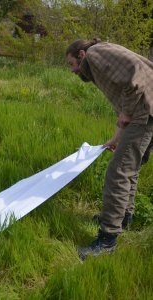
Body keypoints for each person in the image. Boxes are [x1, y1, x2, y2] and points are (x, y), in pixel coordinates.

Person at [66, 39, 153, 260]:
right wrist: (116, 137)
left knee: (118, 173)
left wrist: (127, 114)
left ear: (81, 55)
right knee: (129, 168)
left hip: (145, 111)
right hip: (146, 109)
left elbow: (134, 76)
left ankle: (107, 240)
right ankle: (124, 216)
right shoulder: (100, 54)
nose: (73, 71)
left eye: (72, 64)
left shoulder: (95, 55)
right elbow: (125, 102)